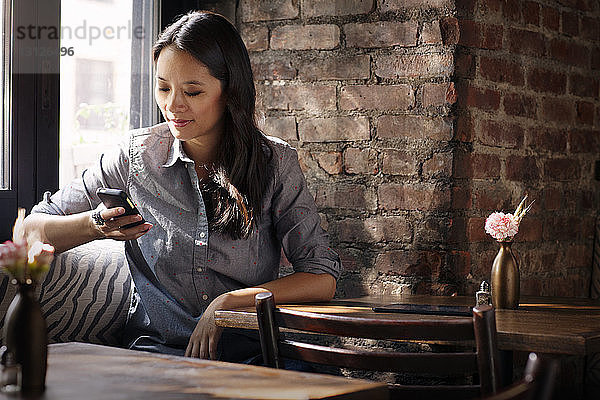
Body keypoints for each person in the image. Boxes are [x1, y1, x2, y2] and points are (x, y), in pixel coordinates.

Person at [23, 10, 341, 362]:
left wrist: (230, 302)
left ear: (229, 91)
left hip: (253, 354)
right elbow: (30, 230)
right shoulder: (136, 157)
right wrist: (96, 225)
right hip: (157, 353)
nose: (173, 105)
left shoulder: (274, 163)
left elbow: (321, 277)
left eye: (192, 91)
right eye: (163, 88)